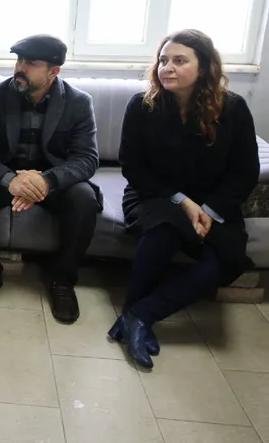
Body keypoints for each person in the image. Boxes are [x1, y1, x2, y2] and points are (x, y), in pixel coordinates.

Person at [110, 29, 259, 369]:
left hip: (214, 202)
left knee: (222, 263)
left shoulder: (233, 108)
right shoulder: (143, 105)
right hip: (154, 194)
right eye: (163, 60)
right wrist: (182, 201)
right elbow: (133, 166)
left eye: (179, 60)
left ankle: (138, 315)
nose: (167, 68)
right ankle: (135, 319)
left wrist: (208, 210)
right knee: (164, 231)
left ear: (204, 66)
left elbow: (245, 171)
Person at [0, 34, 101, 321]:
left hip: (52, 180)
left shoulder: (78, 102)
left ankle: (62, 280)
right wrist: (10, 179)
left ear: (53, 71)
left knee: (84, 199)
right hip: (5, 175)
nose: (20, 68)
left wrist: (46, 181)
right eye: (19, 60)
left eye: (31, 63)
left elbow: (87, 158)